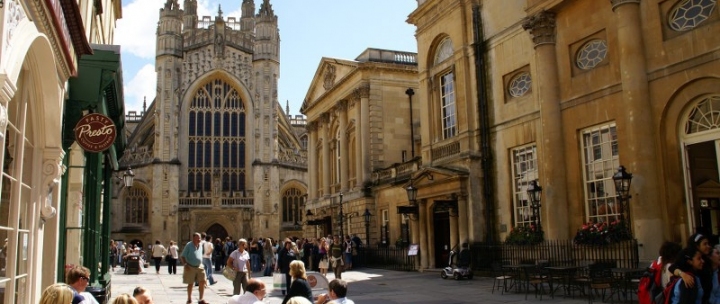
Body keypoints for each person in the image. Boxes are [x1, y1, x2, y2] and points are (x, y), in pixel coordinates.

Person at [671, 233, 713, 304]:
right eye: (705, 244)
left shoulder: (707, 260)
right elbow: (672, 267)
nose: (708, 246)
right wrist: (683, 274)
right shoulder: (689, 280)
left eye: (708, 244)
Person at [180, 232, 209, 304]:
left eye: (200, 238)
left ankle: (201, 299)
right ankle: (189, 299)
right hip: (190, 266)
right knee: (191, 283)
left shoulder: (201, 245)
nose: (199, 239)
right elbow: (182, 256)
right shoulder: (189, 245)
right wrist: (185, 264)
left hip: (200, 266)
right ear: (193, 238)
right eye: (197, 238)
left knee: (202, 281)